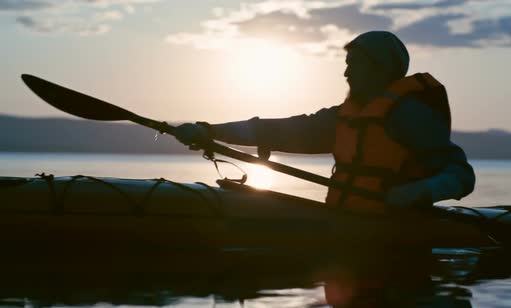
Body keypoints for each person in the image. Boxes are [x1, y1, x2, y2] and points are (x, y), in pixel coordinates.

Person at [174, 31, 475, 212]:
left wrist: (420, 192)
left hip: (396, 232)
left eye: (354, 65)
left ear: (380, 69)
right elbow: (274, 129)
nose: (346, 74)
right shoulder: (343, 118)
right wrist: (208, 131)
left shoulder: (411, 115)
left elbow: (461, 174)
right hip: (347, 222)